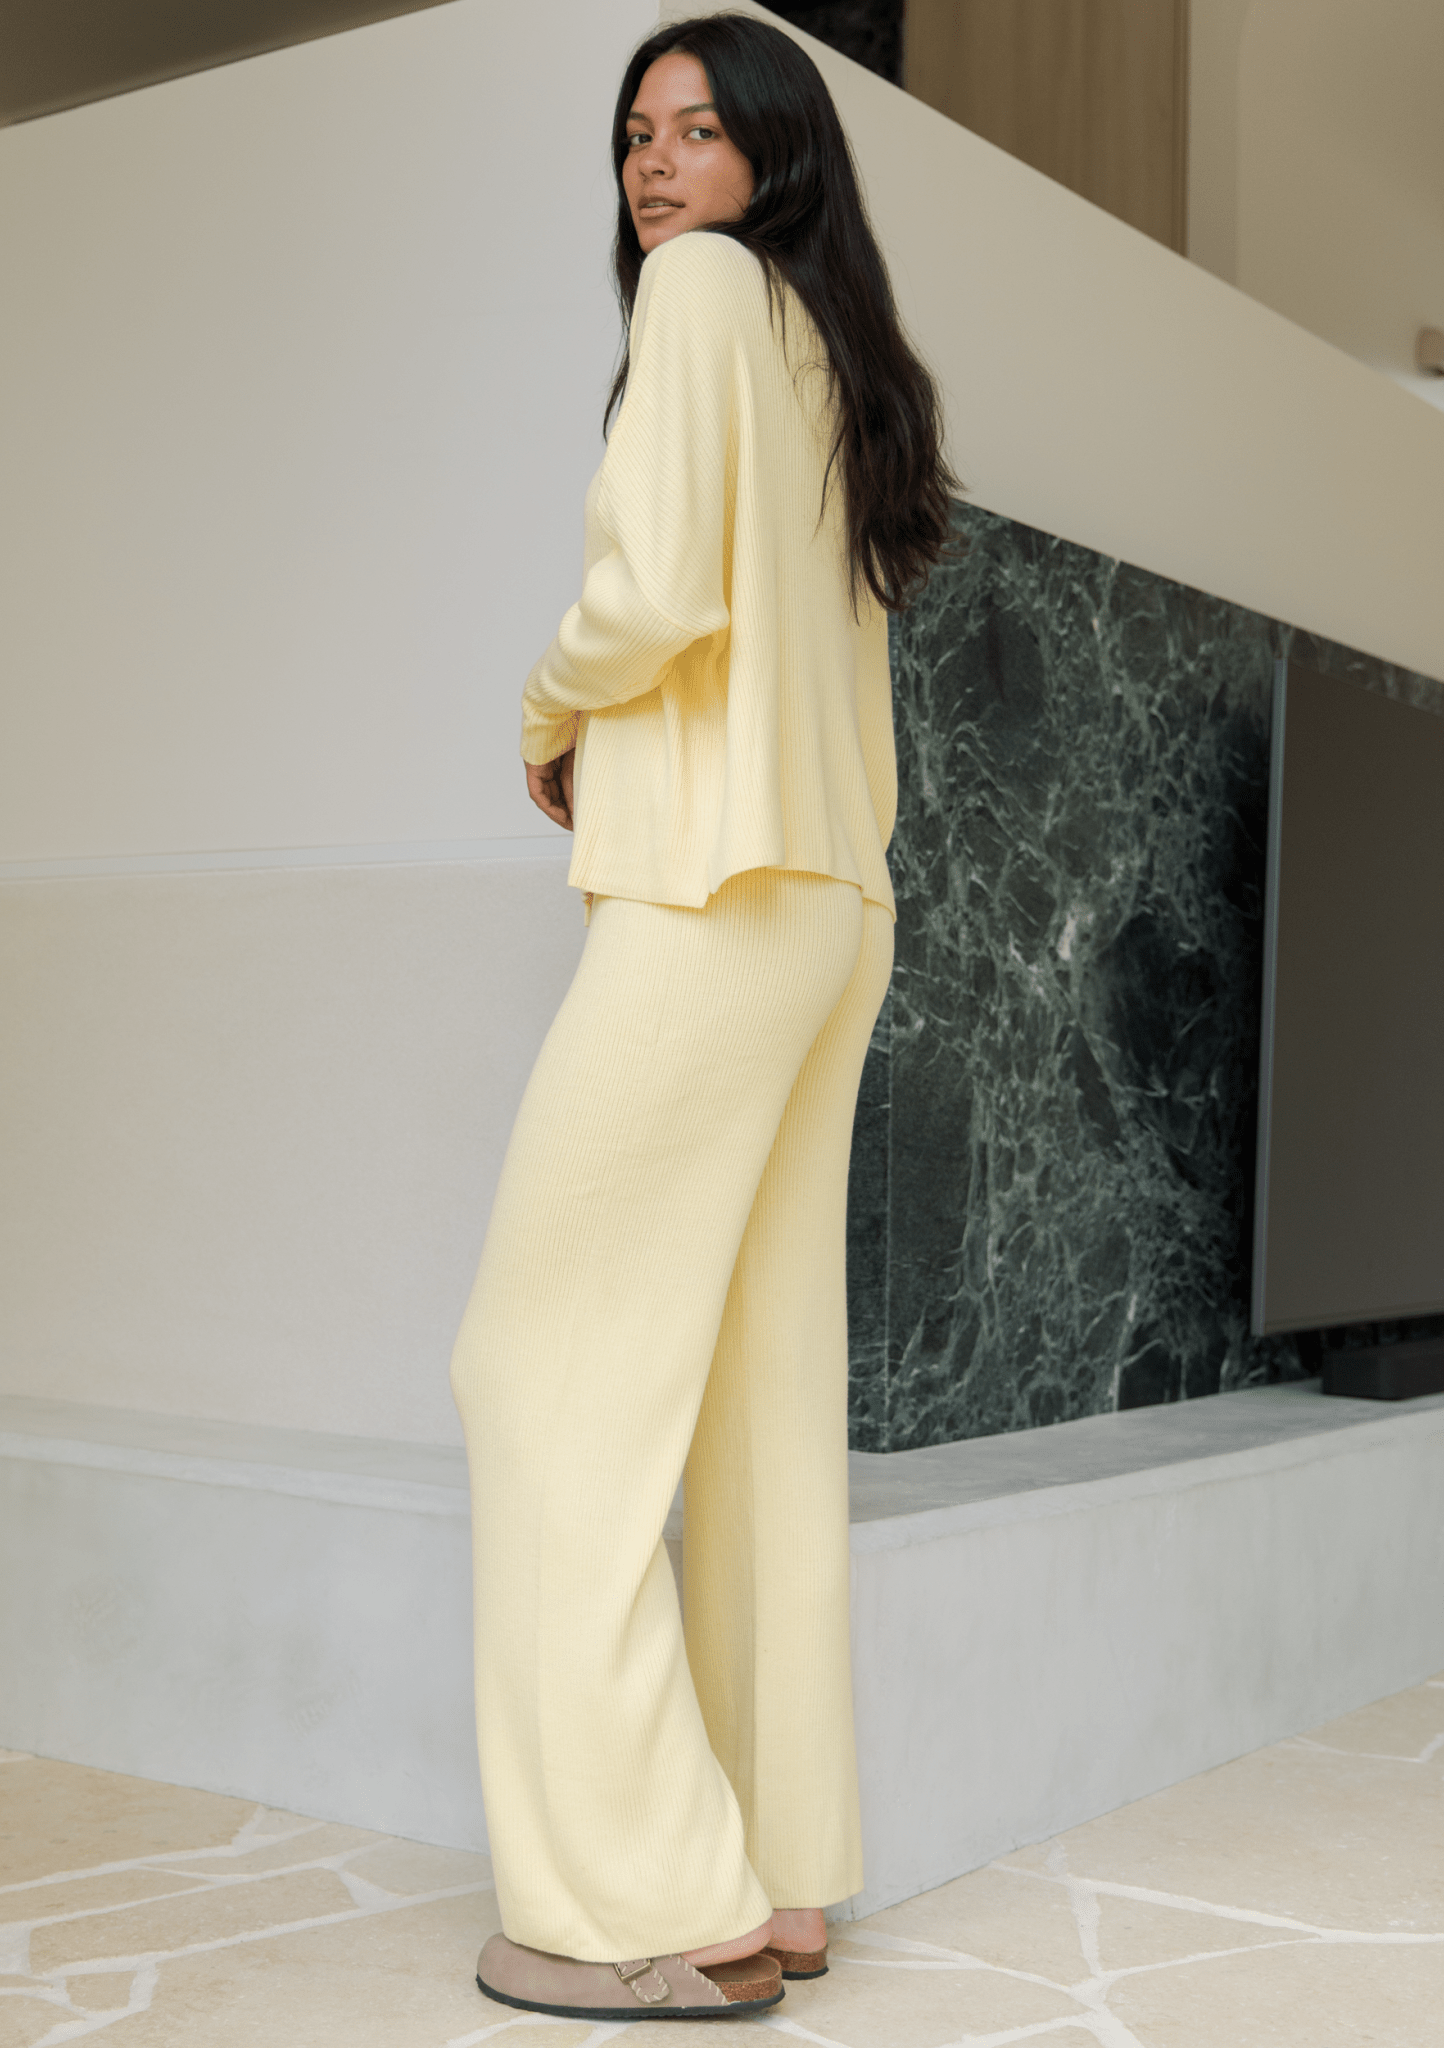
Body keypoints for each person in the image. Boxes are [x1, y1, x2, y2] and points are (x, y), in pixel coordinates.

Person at [449, 12, 956, 2023]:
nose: (655, 166)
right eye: (634, 135)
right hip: (834, 906)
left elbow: (655, 592)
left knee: (536, 1373)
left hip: (708, 895)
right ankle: (781, 1867)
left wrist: (542, 710)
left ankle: (642, 1898)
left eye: (697, 129)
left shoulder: (697, 297)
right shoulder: (843, 355)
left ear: (772, 152)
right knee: (757, 1395)